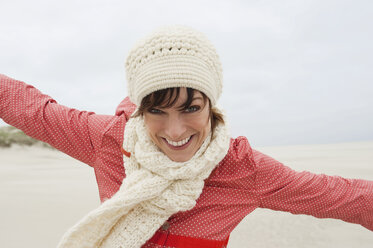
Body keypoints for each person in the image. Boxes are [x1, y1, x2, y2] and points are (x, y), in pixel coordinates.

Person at [0, 25, 372, 248]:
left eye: (190, 109)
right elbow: (30, 108)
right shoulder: (111, 140)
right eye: (156, 112)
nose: (175, 132)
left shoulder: (242, 169)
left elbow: (342, 196)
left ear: (211, 104)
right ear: (140, 109)